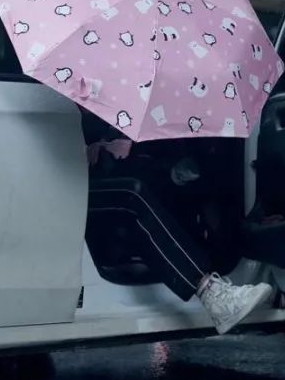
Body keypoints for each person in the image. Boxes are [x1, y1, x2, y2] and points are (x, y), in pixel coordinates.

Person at [86, 124, 275, 335]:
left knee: (157, 180)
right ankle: (210, 293)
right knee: (131, 195)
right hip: (69, 185)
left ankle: (211, 265)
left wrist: (107, 146)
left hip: (88, 176)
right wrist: (92, 149)